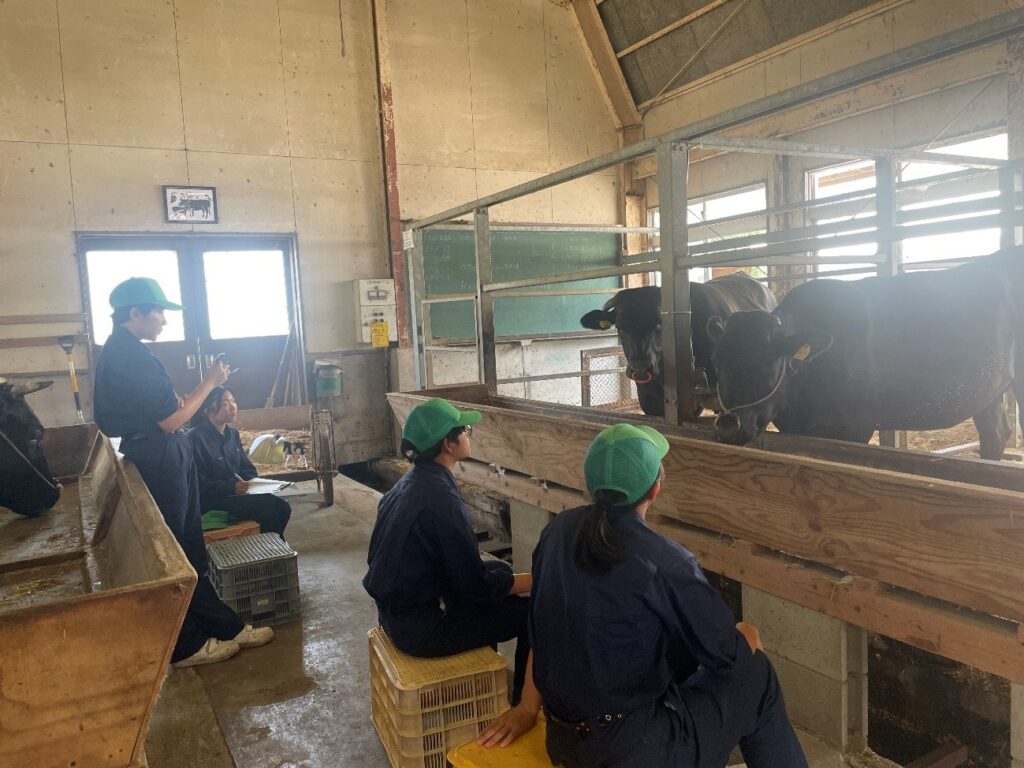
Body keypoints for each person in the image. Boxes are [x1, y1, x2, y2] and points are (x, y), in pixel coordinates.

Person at [506, 423, 808, 767]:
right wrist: (746, 634)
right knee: (757, 674)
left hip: (565, 743)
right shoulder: (665, 561)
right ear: (655, 489)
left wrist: (527, 707)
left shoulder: (557, 531)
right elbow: (727, 654)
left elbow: (541, 629)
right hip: (632, 752)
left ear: (590, 485)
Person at [93, 277, 274, 668]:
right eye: (158, 312)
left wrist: (188, 398)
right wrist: (211, 381)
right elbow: (173, 420)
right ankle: (189, 644)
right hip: (160, 456)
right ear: (135, 313)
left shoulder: (122, 352)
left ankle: (219, 627)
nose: (163, 319)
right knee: (178, 550)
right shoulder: (131, 357)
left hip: (160, 451)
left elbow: (172, 408)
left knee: (189, 549)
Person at [362, 397, 536, 704]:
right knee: (530, 613)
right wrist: (536, 581)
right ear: (448, 444)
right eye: (465, 431)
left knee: (500, 569)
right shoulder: (441, 500)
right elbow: (475, 588)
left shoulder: (409, 483)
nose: (469, 435)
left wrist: (510, 580)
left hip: (395, 615)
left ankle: (484, 685)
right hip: (422, 631)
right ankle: (522, 704)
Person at [189, 386, 291, 538]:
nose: (232, 407)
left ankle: (268, 546)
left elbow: (246, 468)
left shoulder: (233, 435)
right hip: (214, 500)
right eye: (225, 404)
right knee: (266, 506)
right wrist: (232, 487)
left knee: (283, 507)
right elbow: (198, 484)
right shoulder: (195, 439)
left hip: (237, 495)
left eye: (233, 401)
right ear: (207, 410)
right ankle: (275, 549)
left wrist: (253, 483)